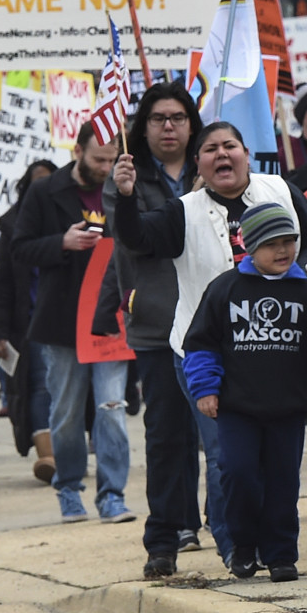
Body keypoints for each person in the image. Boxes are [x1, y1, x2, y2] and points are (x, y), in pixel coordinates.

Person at [114, 121, 307, 566]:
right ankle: (236, 548)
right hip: (208, 357)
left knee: (277, 467)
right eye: (211, 149)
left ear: (247, 153)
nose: (222, 155)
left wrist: (301, 275)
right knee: (228, 461)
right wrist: (126, 197)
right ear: (199, 163)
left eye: (231, 145)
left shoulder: (281, 191)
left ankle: (278, 550)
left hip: (276, 355)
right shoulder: (181, 211)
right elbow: (136, 240)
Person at [182, 202, 307, 583]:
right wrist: (205, 389)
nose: (283, 251)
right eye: (272, 243)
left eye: (289, 241)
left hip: (288, 408)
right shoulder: (226, 288)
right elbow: (200, 345)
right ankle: (243, 546)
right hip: (236, 408)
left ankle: (280, 554)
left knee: (283, 484)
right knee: (238, 475)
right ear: (251, 245)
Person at [100, 82, 203, 578]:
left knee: (220, 435)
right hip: (159, 325)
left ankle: (228, 529)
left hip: (213, 323)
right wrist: (125, 195)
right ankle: (162, 540)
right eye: (158, 118)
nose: (168, 126)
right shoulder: (127, 176)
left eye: (178, 117)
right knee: (166, 434)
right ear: (142, 126)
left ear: (191, 123)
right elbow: (133, 239)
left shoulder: (214, 167)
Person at [14, 125, 135, 525]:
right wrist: (60, 244)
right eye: (97, 159)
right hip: (63, 319)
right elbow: (18, 248)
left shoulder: (124, 187)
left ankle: (112, 494)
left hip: (113, 317)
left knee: (112, 407)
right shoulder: (44, 192)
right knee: (65, 412)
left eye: (110, 159)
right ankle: (68, 486)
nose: (104, 167)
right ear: (77, 151)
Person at [0, 160, 58, 481]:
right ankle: (49, 456)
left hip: (68, 320)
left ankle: (66, 447)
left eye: (50, 181)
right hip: (29, 323)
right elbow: (2, 282)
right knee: (39, 386)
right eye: (37, 182)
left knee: (66, 389)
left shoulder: (69, 218)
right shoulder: (12, 226)